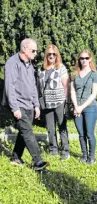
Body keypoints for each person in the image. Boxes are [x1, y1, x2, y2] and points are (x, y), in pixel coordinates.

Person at [4, 38, 49, 171]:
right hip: (19, 105)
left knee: (24, 132)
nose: (36, 53)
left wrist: (36, 105)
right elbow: (9, 87)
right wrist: (15, 108)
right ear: (24, 49)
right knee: (28, 132)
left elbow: (32, 87)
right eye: (33, 50)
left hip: (29, 105)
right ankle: (38, 162)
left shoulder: (29, 65)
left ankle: (16, 157)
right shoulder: (12, 63)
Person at [37, 44, 70, 160]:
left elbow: (66, 86)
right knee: (50, 128)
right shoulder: (41, 69)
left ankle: (65, 150)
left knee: (62, 126)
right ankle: (53, 149)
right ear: (46, 55)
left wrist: (66, 102)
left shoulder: (61, 68)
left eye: (53, 54)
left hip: (59, 101)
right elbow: (38, 87)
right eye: (49, 54)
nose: (51, 56)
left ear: (57, 55)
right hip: (46, 103)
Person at [70, 50, 97, 165]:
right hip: (77, 107)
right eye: (82, 58)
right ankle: (84, 155)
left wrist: (81, 107)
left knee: (89, 134)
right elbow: (72, 91)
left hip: (90, 108)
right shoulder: (74, 74)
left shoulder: (94, 74)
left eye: (86, 58)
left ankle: (92, 157)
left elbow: (93, 94)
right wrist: (76, 106)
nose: (84, 60)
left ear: (90, 59)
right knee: (81, 133)